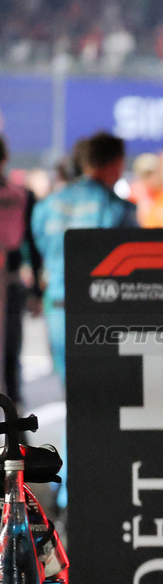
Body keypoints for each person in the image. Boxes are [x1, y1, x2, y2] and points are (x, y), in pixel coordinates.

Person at [31, 132, 139, 387]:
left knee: (71, 391)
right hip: (102, 309)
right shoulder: (118, 208)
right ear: (117, 164)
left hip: (58, 305)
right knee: (102, 394)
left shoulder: (47, 205)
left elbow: (40, 247)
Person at [1, 136, 44, 405]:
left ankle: (13, 399)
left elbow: (33, 242)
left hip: (11, 280)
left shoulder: (22, 195)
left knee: (11, 344)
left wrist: (37, 291)